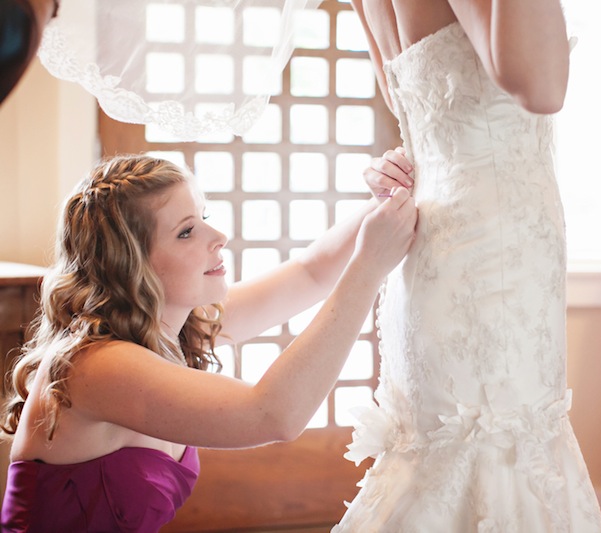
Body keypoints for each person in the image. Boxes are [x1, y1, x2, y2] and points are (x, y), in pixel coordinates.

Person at [0, 153, 417, 531]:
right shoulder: (98, 365)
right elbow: (273, 415)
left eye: (204, 216)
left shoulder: (174, 330)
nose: (218, 236)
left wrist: (384, 200)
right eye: (186, 232)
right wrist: (369, 267)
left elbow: (310, 273)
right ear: (131, 265)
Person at [332, 1, 601, 531]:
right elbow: (543, 86)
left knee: (453, 445)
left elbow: (413, 99)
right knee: (498, 440)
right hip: (496, 266)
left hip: (440, 257)